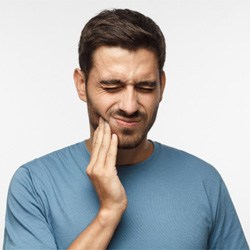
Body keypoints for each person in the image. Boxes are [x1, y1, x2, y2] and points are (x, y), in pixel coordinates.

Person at [3, 8, 249, 250]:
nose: (130, 106)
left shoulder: (204, 182)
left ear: (162, 86)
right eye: (112, 87)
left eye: (145, 87)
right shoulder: (34, 184)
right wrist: (109, 213)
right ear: (81, 84)